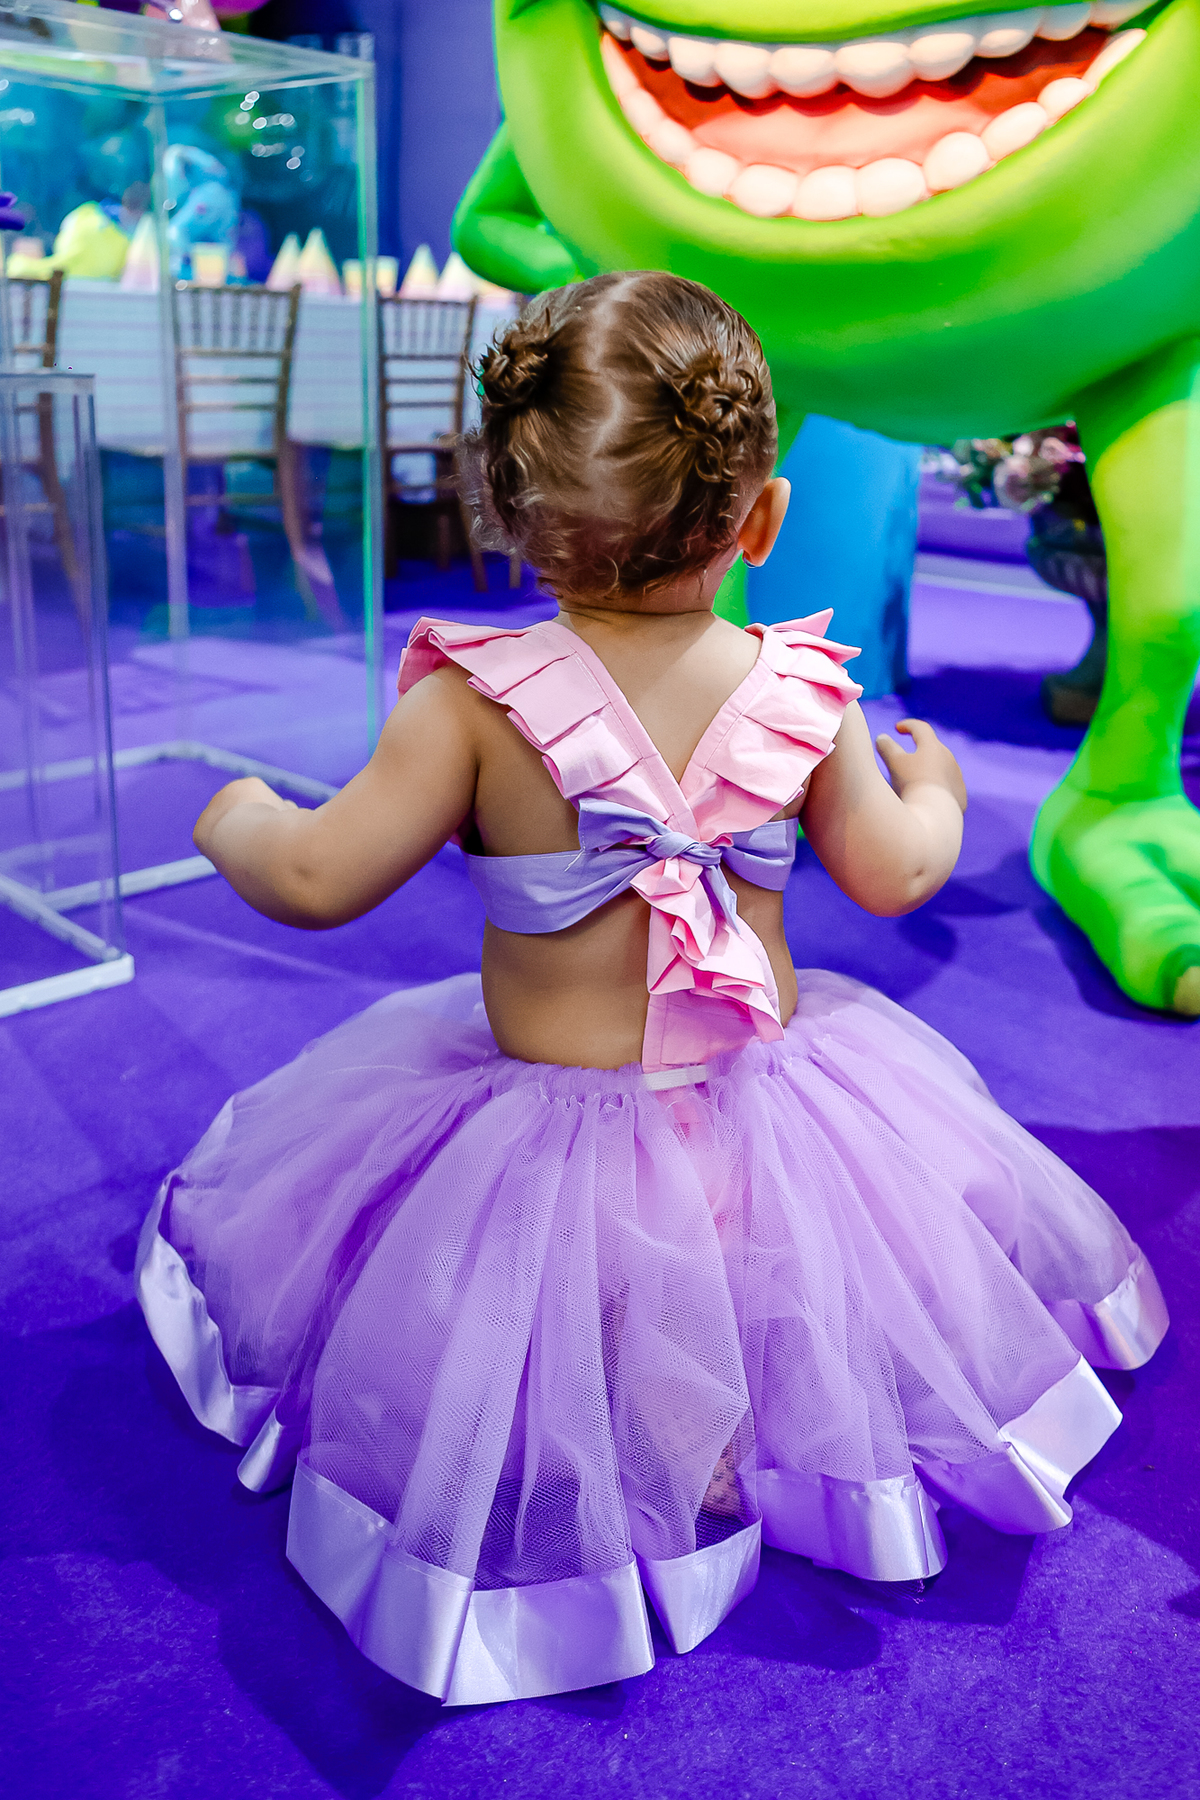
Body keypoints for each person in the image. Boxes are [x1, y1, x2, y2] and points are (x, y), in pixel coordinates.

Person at [137, 272, 1167, 1708]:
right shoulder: (803, 694)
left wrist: (238, 814)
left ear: (505, 512)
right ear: (763, 519)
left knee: (524, 1327)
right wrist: (933, 788)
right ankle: (760, 1449)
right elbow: (896, 874)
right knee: (779, 1286)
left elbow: (316, 879)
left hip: (543, 1143)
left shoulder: (469, 701)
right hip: (765, 1115)